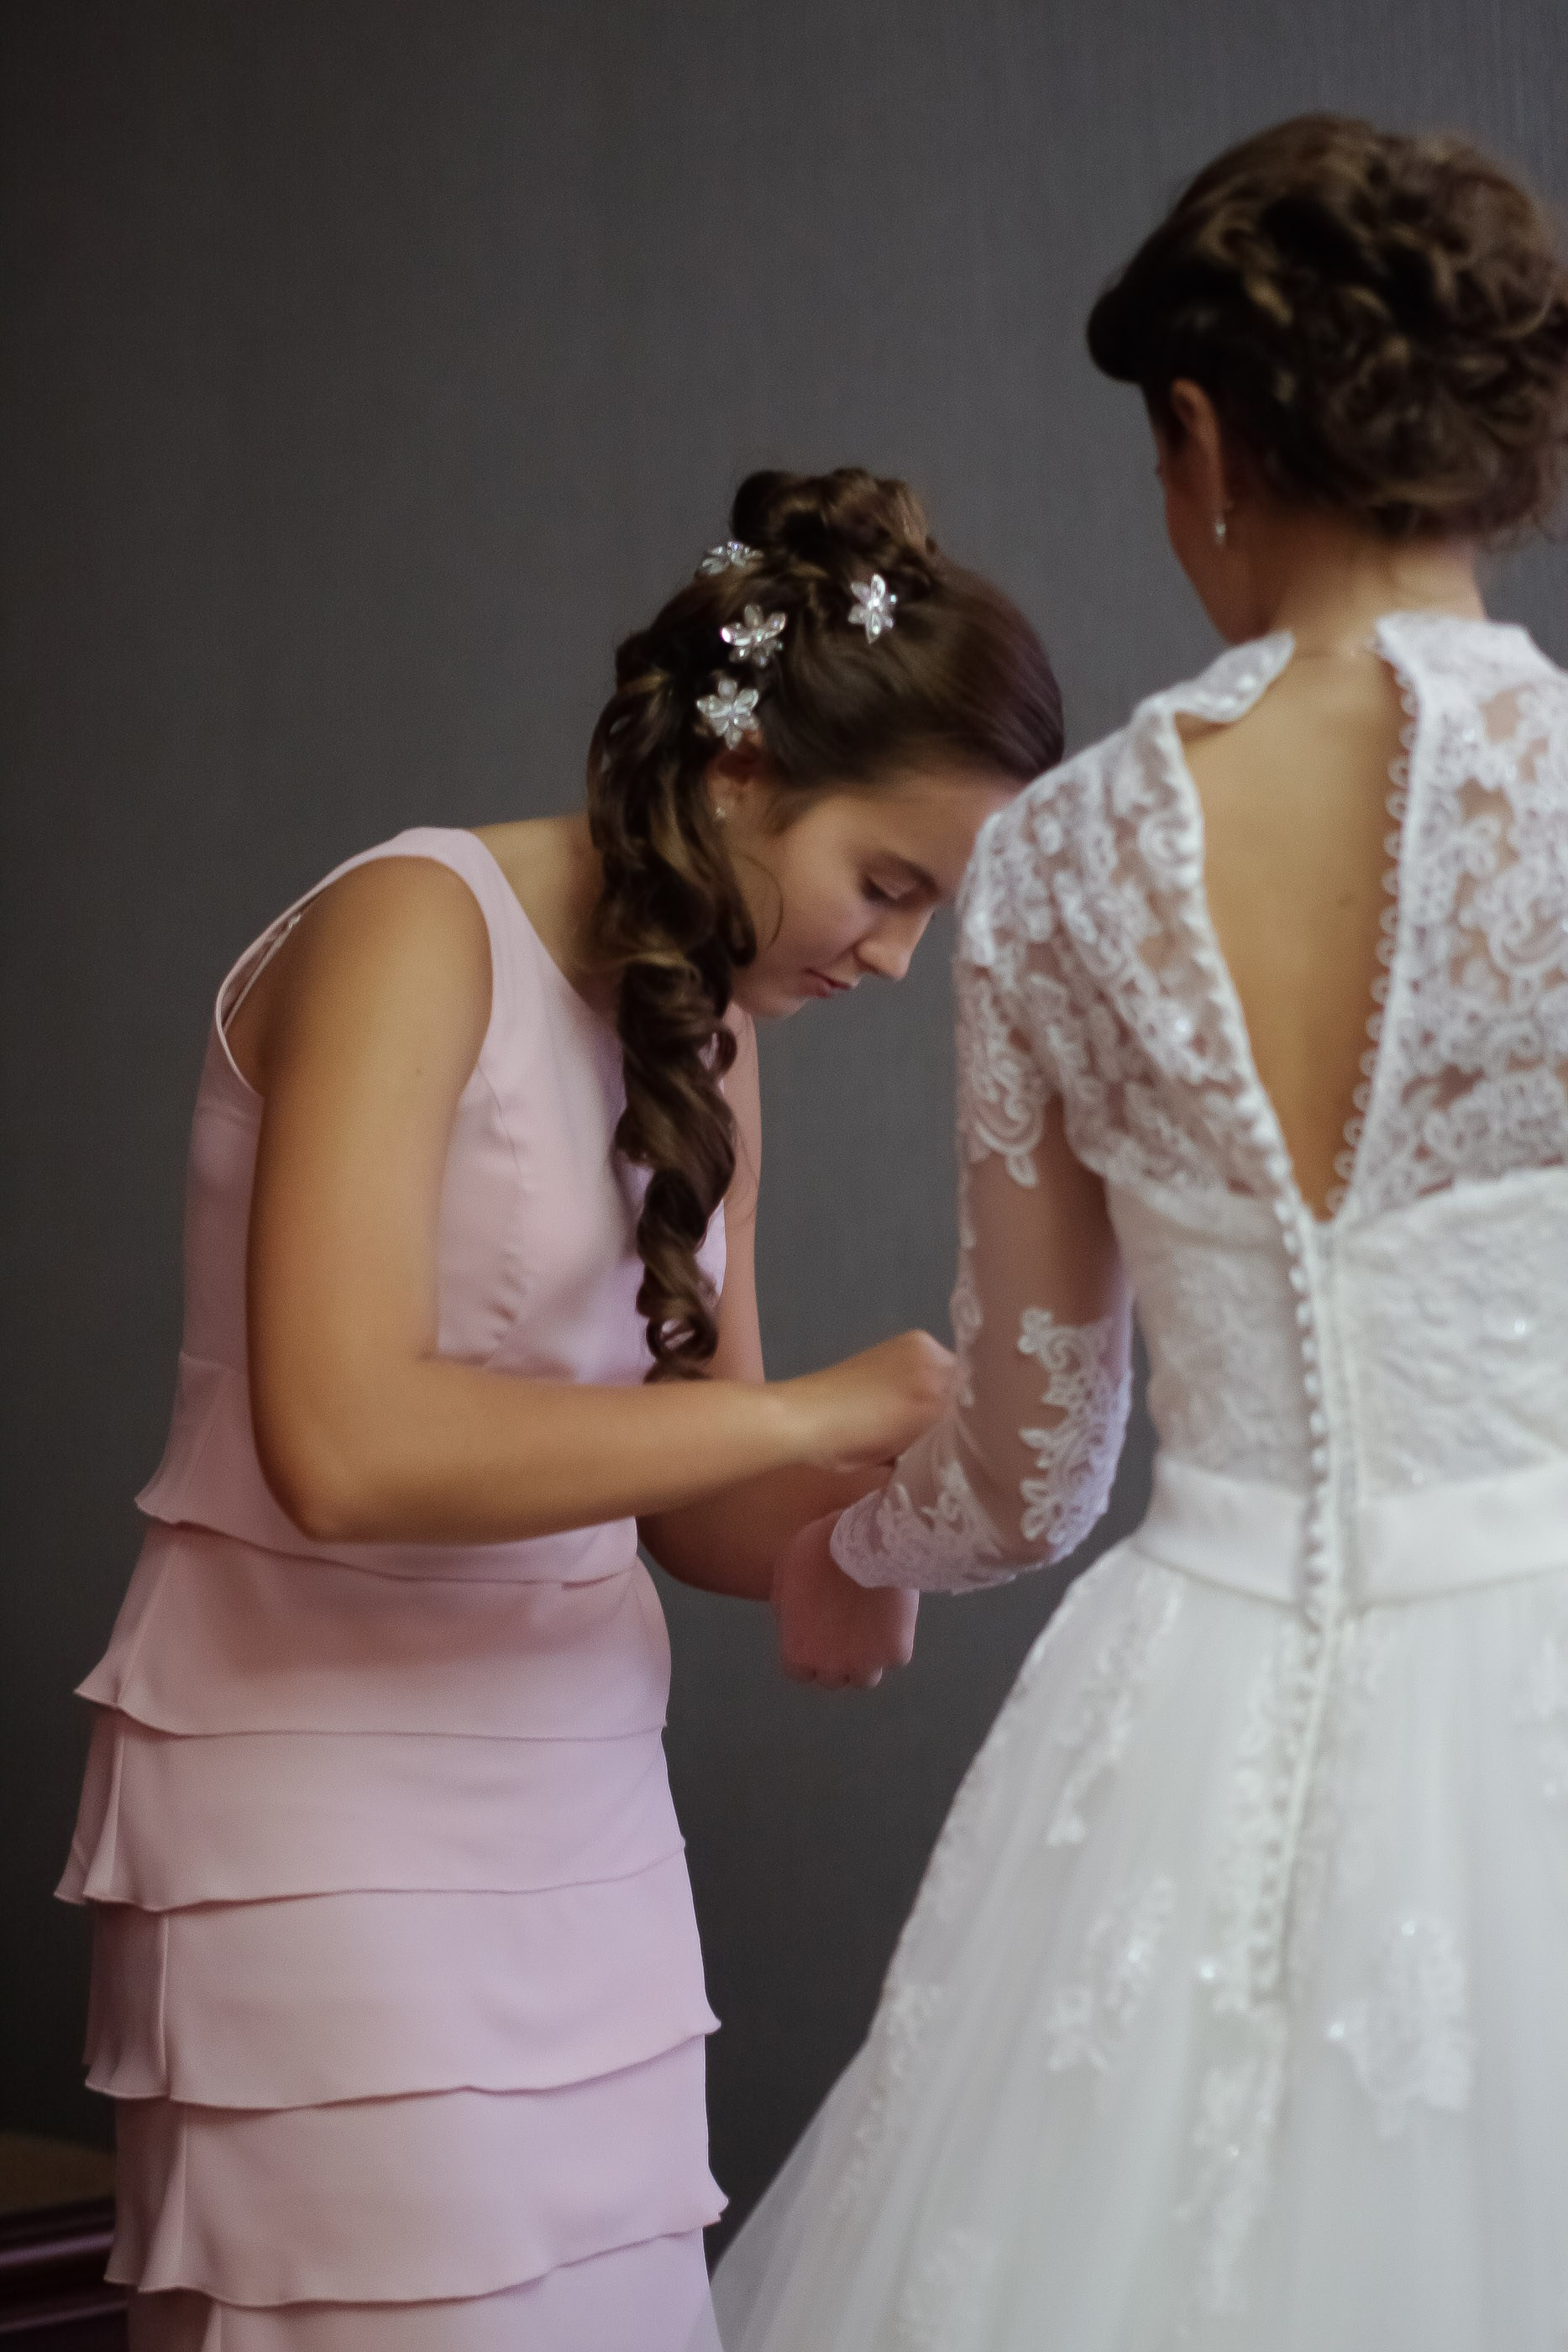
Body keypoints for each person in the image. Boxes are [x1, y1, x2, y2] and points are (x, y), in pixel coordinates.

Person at [714, 118, 1568, 2352]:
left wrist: (849, 1550)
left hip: (1191, 1718)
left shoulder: (1069, 856)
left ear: (1203, 436)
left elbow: (1027, 1466)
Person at [55, 465, 1066, 2352]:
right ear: (746, 765)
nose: (894, 957)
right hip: (312, 1804)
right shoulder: (412, 923)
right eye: (888, 884)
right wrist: (804, 1418)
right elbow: (343, 1447)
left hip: (582, 1807)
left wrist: (894, 1511)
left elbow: (688, 1498)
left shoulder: (709, 1029)